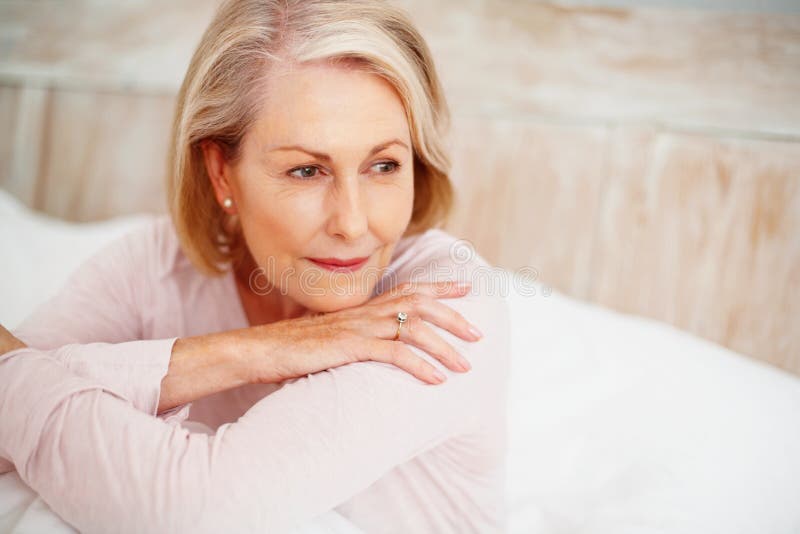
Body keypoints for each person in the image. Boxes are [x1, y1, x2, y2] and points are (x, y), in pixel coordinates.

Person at [0, 0, 511, 532]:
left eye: (383, 165)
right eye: (307, 170)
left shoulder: (442, 309)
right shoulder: (155, 266)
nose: (353, 224)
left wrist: (21, 370)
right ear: (222, 173)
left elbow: (199, 508)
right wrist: (263, 349)